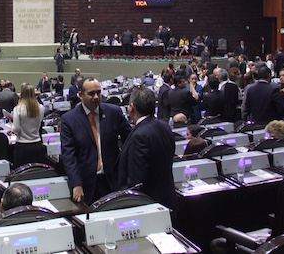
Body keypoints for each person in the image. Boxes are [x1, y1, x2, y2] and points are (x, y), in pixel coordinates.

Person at [60, 77, 132, 205]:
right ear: (81, 95)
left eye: (98, 92)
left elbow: (130, 141)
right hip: (86, 185)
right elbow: (68, 155)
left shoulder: (114, 112)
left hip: (113, 182)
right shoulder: (69, 120)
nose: (96, 97)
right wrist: (76, 183)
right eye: (91, 93)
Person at [119, 87, 176, 211]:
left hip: (149, 205)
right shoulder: (164, 126)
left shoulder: (139, 136)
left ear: (131, 108)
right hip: (167, 198)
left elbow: (136, 182)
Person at [12, 83, 45, 168]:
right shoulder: (41, 108)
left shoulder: (17, 109)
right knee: (35, 172)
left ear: (22, 94)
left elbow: (16, 129)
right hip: (37, 144)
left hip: (22, 146)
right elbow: (39, 123)